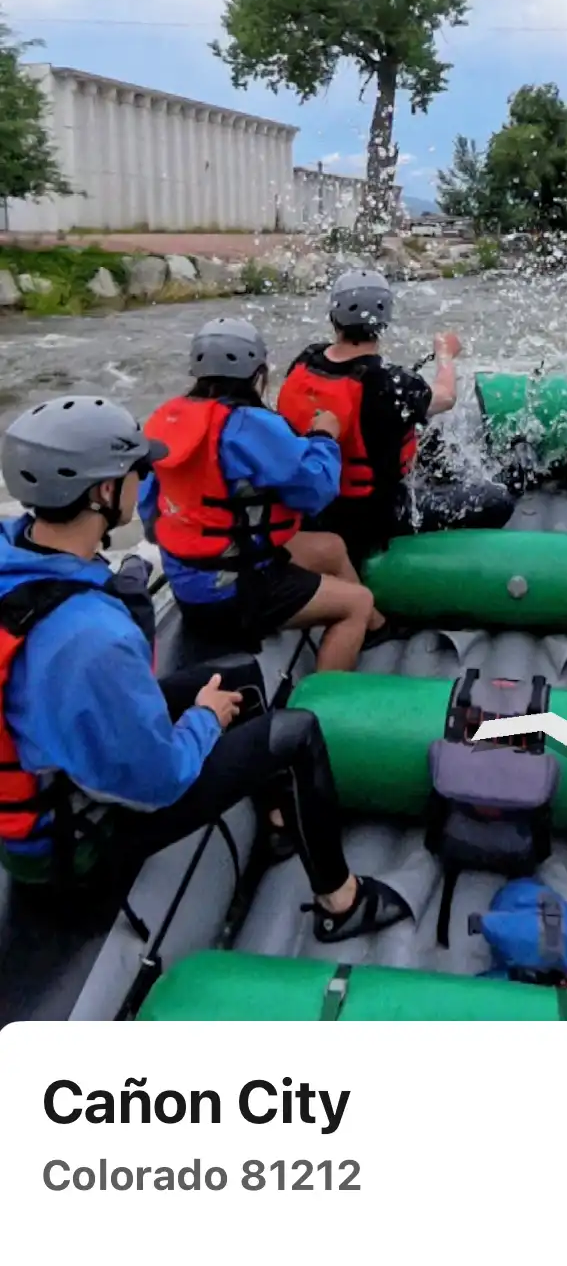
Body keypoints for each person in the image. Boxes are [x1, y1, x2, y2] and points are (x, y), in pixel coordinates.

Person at [0, 395, 409, 940]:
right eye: (136, 470)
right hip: (75, 843)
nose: (147, 477)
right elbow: (156, 782)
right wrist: (204, 721)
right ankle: (342, 901)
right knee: (295, 733)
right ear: (102, 492)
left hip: (55, 773)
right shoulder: (91, 636)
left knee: (239, 674)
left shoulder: (18, 557)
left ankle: (281, 820)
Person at [141, 316, 374, 669]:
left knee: (331, 547)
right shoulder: (251, 425)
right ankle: (321, 709)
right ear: (257, 372)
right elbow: (317, 491)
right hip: (235, 592)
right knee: (357, 602)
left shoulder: (168, 420)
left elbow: (149, 513)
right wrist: (323, 437)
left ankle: (379, 631)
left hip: (189, 581)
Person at [276, 268, 464, 568]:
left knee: (431, 440)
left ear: (333, 317)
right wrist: (445, 354)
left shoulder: (306, 360)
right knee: (496, 500)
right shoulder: (389, 383)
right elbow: (446, 396)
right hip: (370, 519)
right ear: (384, 321)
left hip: (313, 508)